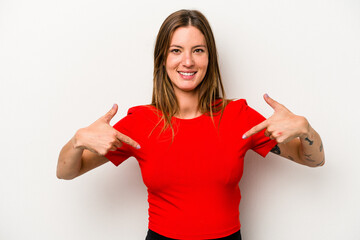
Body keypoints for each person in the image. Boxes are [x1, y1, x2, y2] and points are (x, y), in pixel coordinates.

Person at [57, 9, 325, 240]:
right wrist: (78, 140)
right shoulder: (140, 122)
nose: (188, 61)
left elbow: (313, 160)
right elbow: (67, 172)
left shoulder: (239, 116)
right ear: (163, 58)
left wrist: (306, 130)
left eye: (198, 50)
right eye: (176, 50)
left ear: (209, 58)